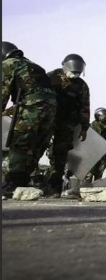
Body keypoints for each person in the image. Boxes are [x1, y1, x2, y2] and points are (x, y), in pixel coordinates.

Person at [1, 41, 57, 197]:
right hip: (51, 107)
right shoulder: (35, 66)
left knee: (19, 141)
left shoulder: (8, 64)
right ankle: (24, 179)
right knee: (36, 143)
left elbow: (3, 91)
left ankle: (13, 183)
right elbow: (37, 92)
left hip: (31, 106)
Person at [45, 53, 90, 198]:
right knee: (36, 148)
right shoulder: (51, 76)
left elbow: (84, 107)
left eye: (78, 70)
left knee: (60, 154)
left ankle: (54, 187)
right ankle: (29, 181)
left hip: (67, 124)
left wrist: (84, 127)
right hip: (47, 119)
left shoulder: (81, 85)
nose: (75, 73)